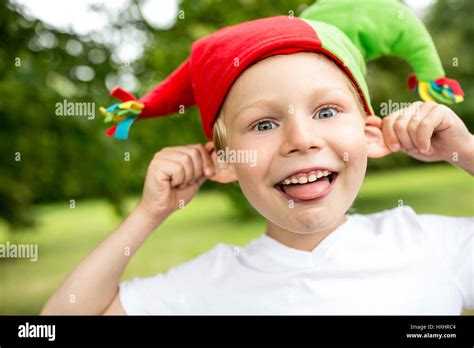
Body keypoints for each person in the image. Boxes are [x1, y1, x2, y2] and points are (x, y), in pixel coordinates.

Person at [41, 0, 473, 315]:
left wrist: (464, 149)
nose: (301, 140)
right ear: (224, 161)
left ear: (370, 133)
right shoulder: (207, 287)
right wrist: (149, 214)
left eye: (326, 111)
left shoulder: (429, 245)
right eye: (264, 124)